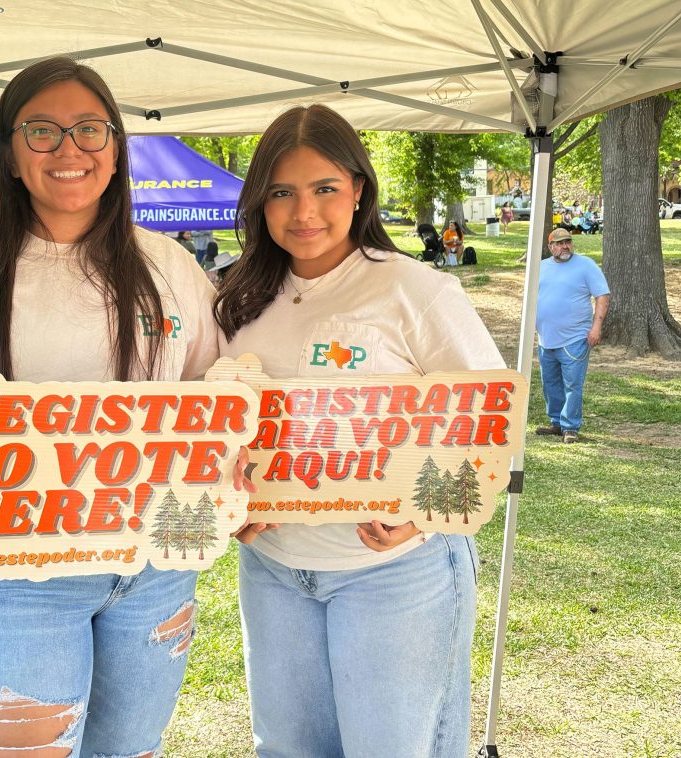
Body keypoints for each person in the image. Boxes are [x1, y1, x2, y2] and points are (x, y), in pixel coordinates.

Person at [0, 57, 220, 757]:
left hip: (156, 566)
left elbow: (217, 397)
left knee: (130, 750)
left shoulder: (172, 268)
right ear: (8, 153)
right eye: (42, 131)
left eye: (90, 129)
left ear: (118, 148)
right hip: (17, 573)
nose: (70, 149)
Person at [213, 104, 504, 757]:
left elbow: (488, 419)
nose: (303, 212)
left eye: (324, 189)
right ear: (259, 201)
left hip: (394, 572)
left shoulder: (412, 290)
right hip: (275, 569)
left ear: (359, 191)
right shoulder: (234, 299)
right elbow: (213, 433)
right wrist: (225, 507)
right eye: (282, 192)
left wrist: (427, 518)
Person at [534, 227, 611, 444]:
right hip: (546, 339)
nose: (565, 246)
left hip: (575, 338)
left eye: (568, 241)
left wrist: (596, 327)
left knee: (572, 384)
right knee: (550, 384)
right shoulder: (541, 267)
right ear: (551, 247)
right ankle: (556, 422)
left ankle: (570, 427)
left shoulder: (585, 265)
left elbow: (602, 296)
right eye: (559, 243)